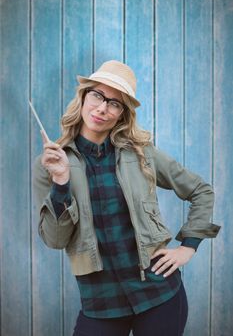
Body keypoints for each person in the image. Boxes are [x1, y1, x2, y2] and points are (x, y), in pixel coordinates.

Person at [33, 60, 220, 336]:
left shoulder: (142, 153)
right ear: (83, 96)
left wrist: (187, 247)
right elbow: (55, 239)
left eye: (114, 103)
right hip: (100, 304)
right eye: (97, 95)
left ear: (122, 114)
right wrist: (61, 182)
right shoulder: (49, 165)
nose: (102, 108)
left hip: (160, 295)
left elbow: (201, 191)